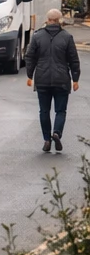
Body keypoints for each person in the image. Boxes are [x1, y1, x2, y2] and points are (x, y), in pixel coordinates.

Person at [25, 8, 80, 153]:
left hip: (42, 79)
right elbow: (73, 59)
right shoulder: (67, 37)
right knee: (60, 111)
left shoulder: (37, 36)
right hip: (62, 80)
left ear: (47, 20)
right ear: (60, 20)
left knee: (44, 111)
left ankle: (47, 140)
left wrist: (30, 75)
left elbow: (30, 57)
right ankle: (57, 132)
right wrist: (75, 79)